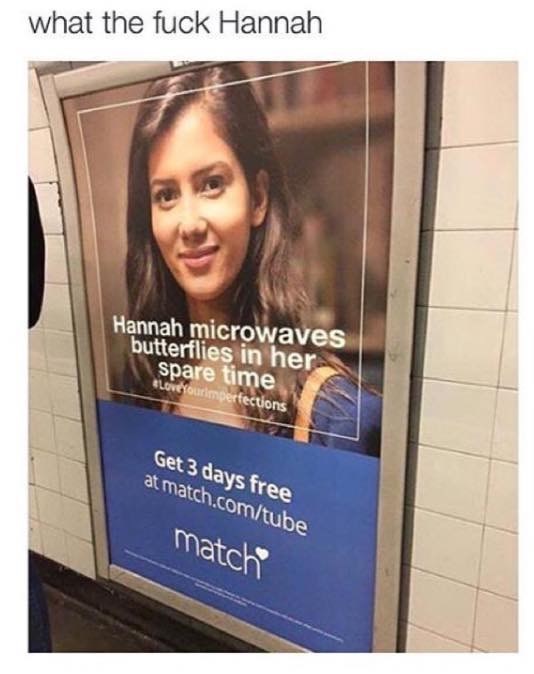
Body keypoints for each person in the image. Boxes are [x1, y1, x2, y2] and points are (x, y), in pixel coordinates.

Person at [121, 64, 381, 455]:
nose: (189, 224)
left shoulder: (339, 418)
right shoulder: (144, 385)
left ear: (257, 198)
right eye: (166, 195)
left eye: (212, 184)